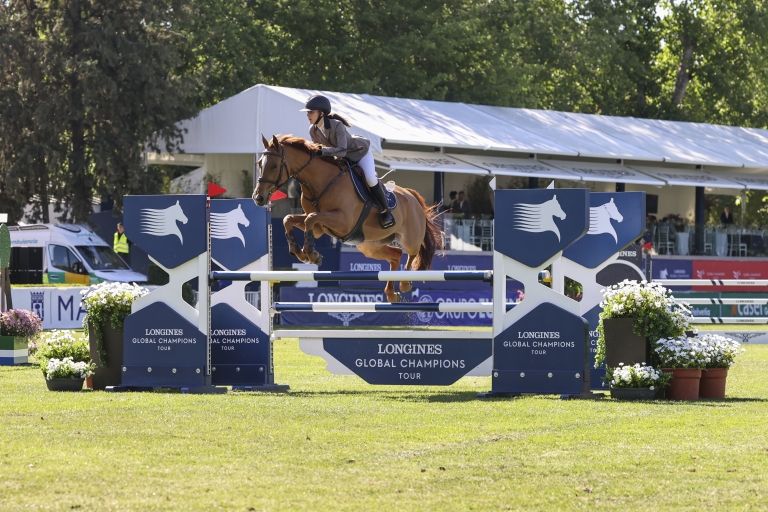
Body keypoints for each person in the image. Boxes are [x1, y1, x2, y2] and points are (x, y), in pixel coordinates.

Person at [300, 95, 395, 229]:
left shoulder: (336, 125)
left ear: (321, 113)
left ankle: (386, 212)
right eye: (308, 112)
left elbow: (342, 150)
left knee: (370, 179)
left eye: (311, 112)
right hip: (341, 158)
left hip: (359, 154)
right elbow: (321, 151)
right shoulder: (313, 130)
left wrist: (323, 151)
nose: (308, 115)